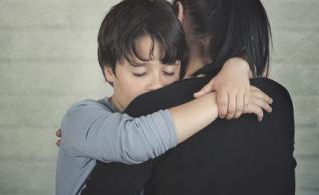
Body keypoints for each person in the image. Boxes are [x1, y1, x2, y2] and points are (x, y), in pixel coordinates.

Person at [78, 0, 296, 195]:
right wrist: (240, 62)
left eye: (167, 72)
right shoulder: (278, 99)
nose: (155, 83)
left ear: (179, 14)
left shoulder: (151, 106)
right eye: (140, 72)